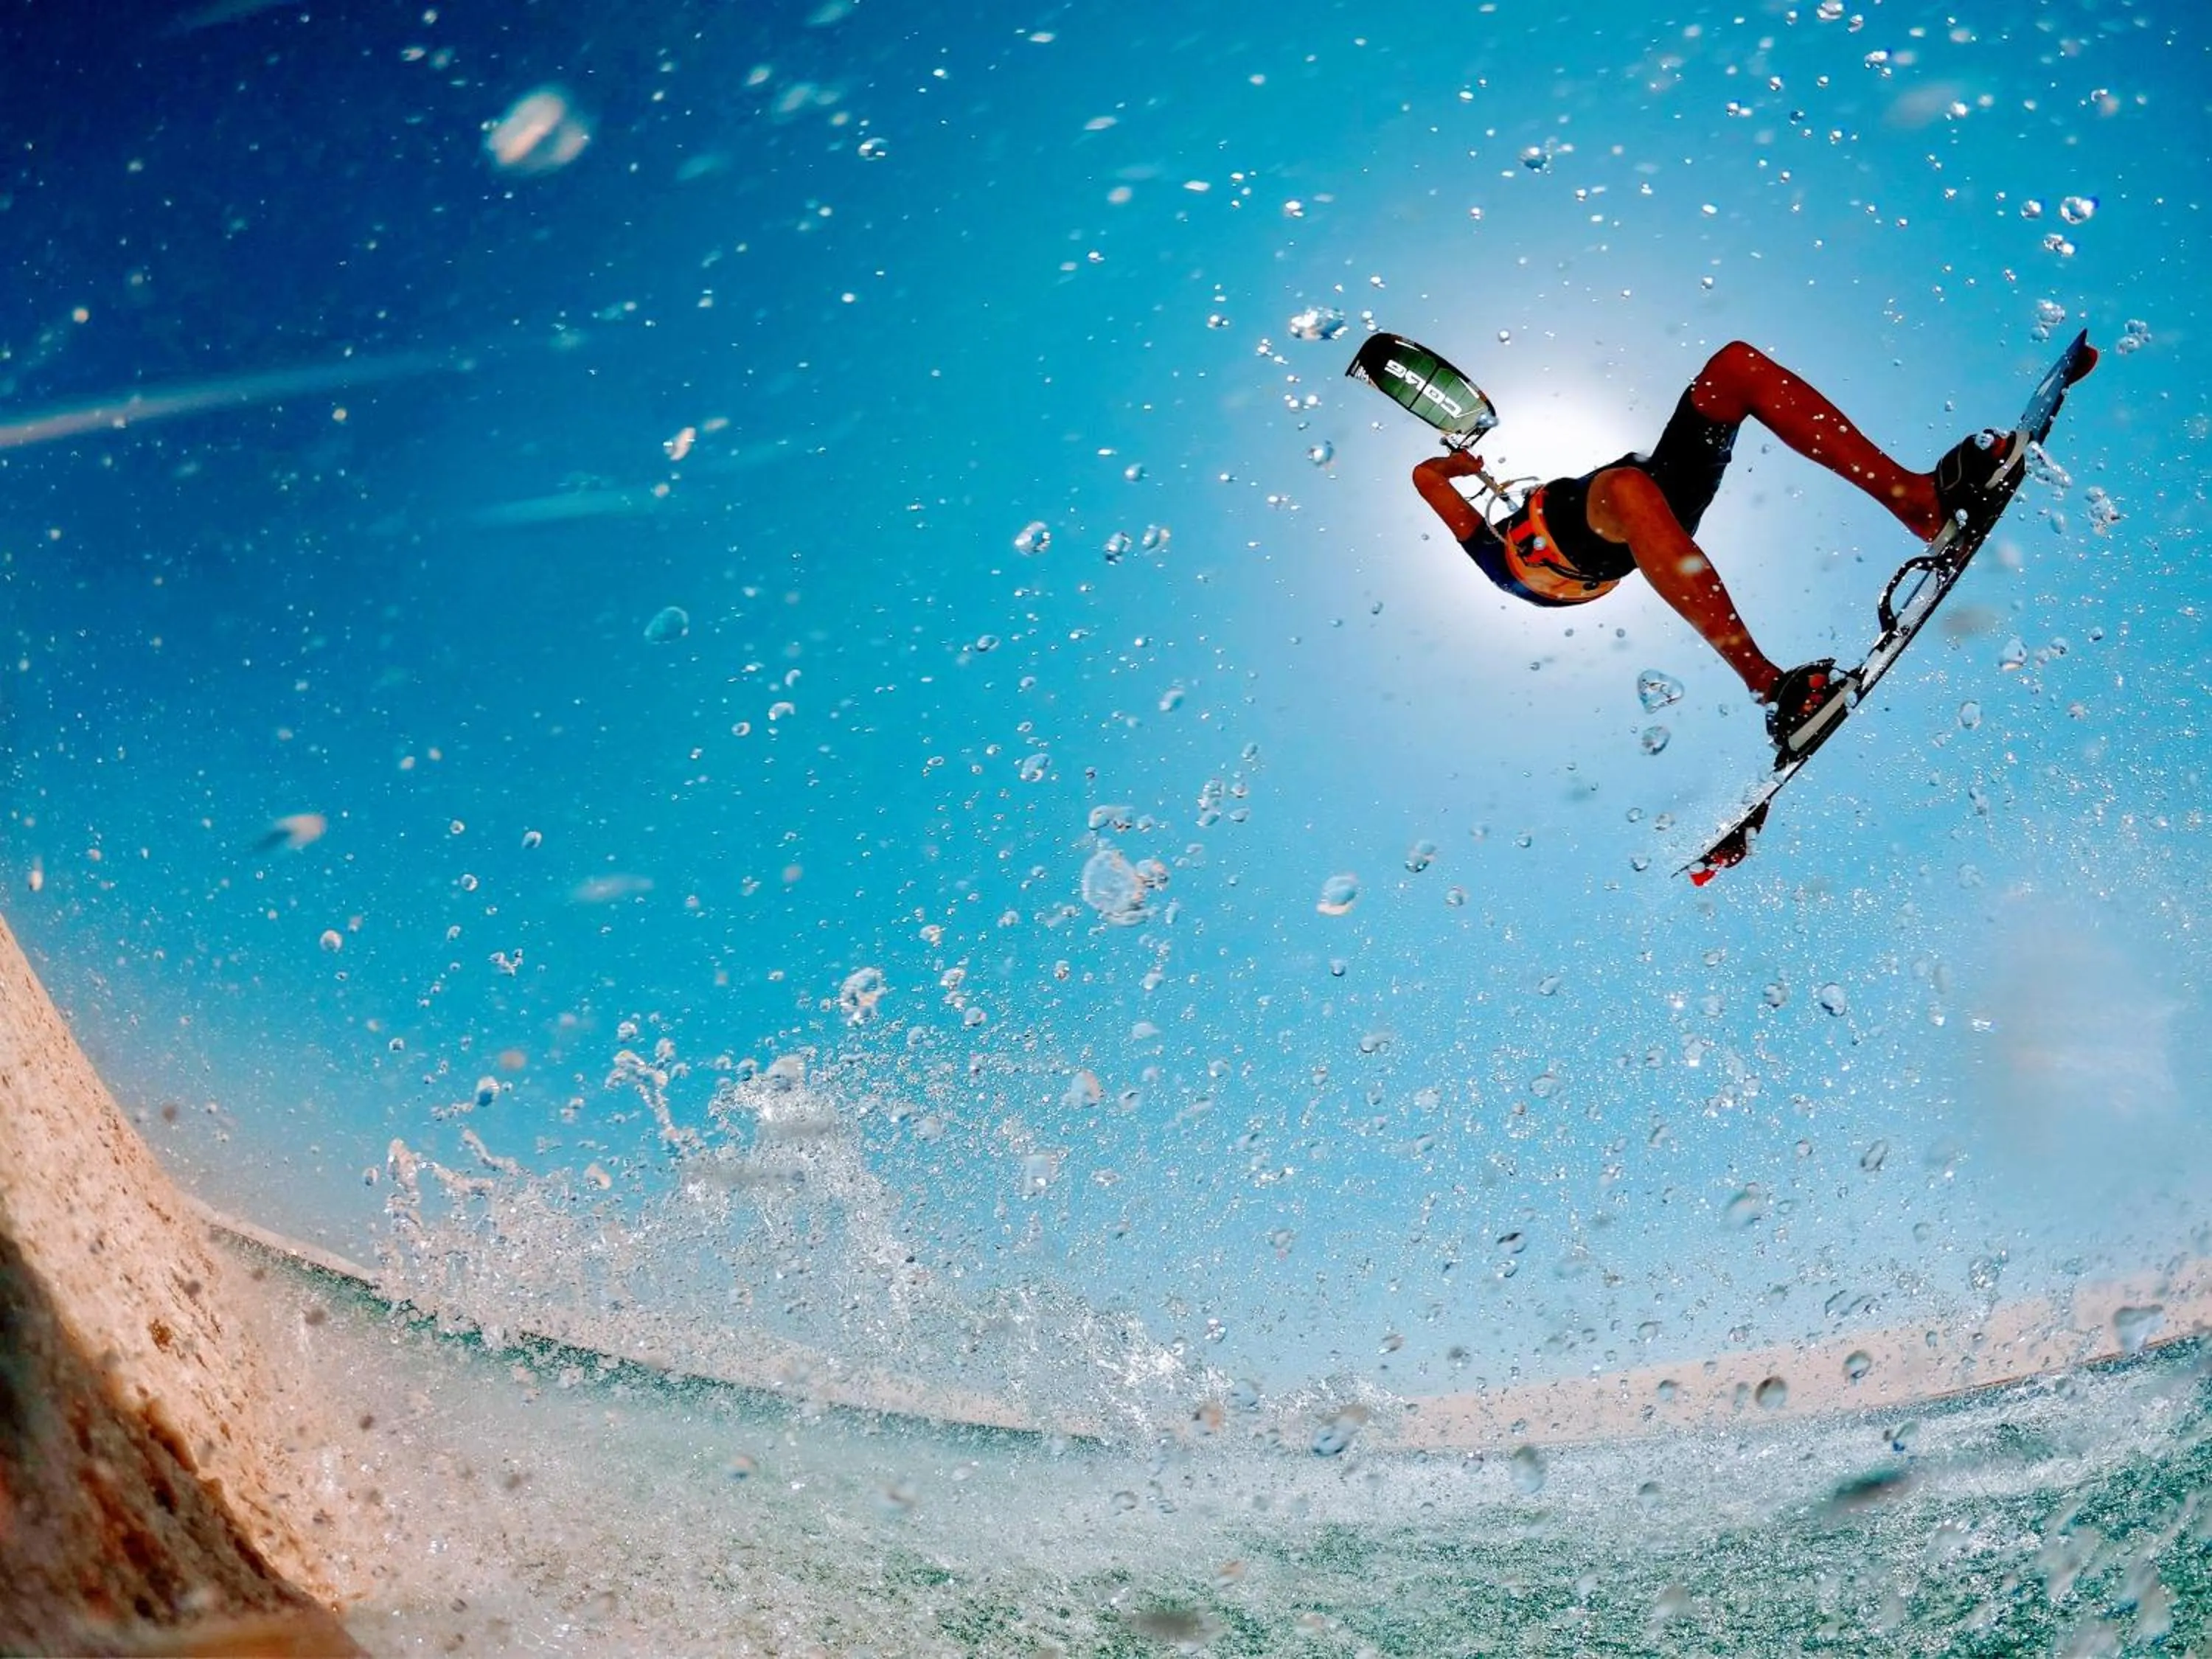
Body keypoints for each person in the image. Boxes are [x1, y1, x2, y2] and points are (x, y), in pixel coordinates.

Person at [1408, 341, 2023, 754]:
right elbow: (1423, 479)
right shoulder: (1501, 558)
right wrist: (1452, 470)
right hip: (1594, 533)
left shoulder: (1597, 498)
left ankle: (1917, 502)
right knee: (1624, 486)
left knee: (1733, 368)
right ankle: (1770, 686)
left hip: (1650, 497)